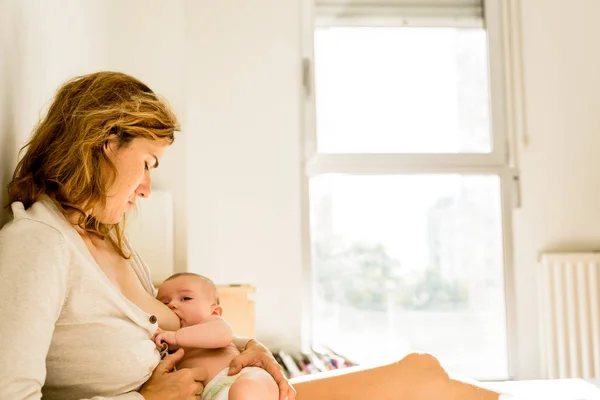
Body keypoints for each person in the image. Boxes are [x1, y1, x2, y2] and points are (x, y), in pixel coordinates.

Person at [0, 71, 501, 400]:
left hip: (226, 388)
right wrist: (143, 399)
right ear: (107, 143)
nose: (147, 189)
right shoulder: (39, 245)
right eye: (148, 163)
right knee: (423, 385)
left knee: (424, 371)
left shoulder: (112, 243)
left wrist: (244, 345)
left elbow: (166, 333)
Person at [153, 272, 278, 400]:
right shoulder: (166, 345)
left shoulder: (211, 323)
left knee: (247, 388)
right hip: (212, 395)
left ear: (215, 311)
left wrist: (176, 337)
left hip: (237, 378)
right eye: (164, 303)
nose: (172, 305)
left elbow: (224, 335)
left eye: (186, 298)